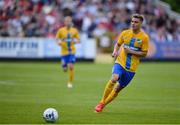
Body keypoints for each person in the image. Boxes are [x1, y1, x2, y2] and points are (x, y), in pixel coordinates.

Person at [95, 14, 149, 113]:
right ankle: (101, 102)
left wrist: (131, 52)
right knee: (114, 78)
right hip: (120, 62)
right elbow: (118, 44)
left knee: (118, 89)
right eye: (132, 21)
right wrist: (115, 51)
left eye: (136, 22)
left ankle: (103, 104)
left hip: (131, 68)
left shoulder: (144, 37)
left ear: (141, 23)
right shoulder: (125, 33)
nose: (133, 23)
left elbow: (144, 54)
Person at [56, 16, 80, 88]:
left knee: (71, 66)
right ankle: (63, 65)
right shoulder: (61, 30)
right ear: (64, 22)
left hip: (72, 51)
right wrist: (59, 42)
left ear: (71, 22)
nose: (68, 22)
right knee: (65, 68)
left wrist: (75, 40)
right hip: (64, 52)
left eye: (69, 21)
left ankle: (70, 82)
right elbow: (57, 39)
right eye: (66, 21)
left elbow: (79, 40)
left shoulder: (74, 30)